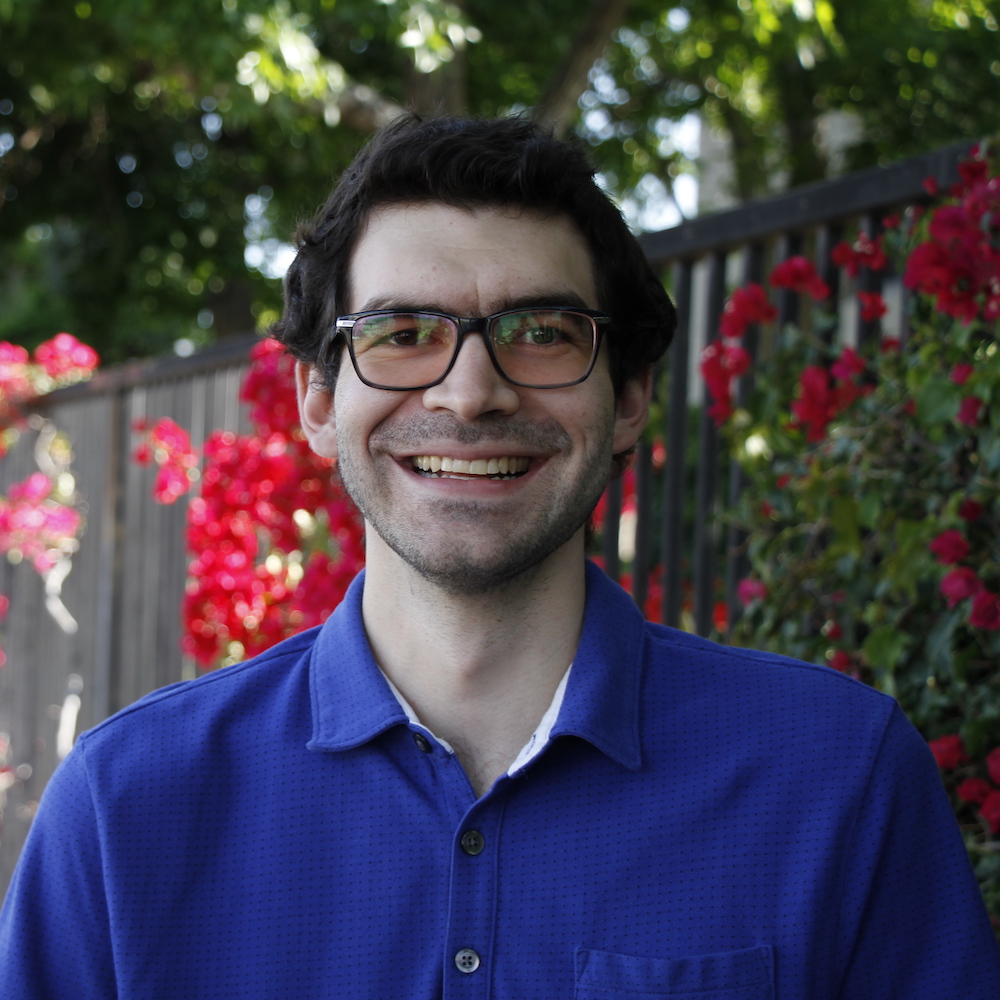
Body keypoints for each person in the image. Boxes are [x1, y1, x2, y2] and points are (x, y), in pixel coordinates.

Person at [1, 115, 998, 999]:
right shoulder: (126, 812)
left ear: (631, 397)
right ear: (316, 398)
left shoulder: (837, 780)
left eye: (542, 332)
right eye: (401, 332)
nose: (470, 392)